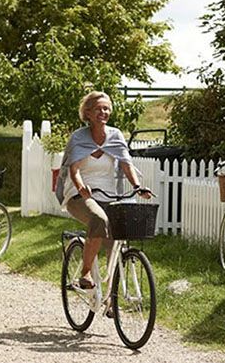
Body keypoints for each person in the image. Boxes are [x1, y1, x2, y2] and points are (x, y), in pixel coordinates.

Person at [55, 91, 152, 290]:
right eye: (99, 108)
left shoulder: (115, 135)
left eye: (107, 108)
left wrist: (137, 187)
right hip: (80, 195)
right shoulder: (79, 137)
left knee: (116, 240)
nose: (104, 112)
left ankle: (111, 301)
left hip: (110, 194)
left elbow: (126, 164)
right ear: (88, 113)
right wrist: (81, 188)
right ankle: (85, 273)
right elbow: (74, 169)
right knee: (99, 219)